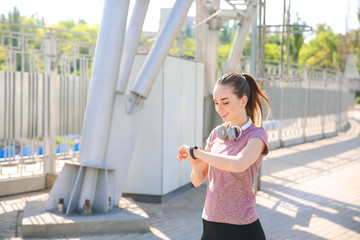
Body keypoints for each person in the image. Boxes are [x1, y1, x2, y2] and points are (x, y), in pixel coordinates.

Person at [176, 72, 271, 240]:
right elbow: (197, 181)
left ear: (243, 100)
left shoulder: (257, 135)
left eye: (225, 102)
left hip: (242, 227)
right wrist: (197, 165)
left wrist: (198, 153)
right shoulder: (215, 135)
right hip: (211, 222)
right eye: (216, 103)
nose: (219, 109)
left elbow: (238, 164)